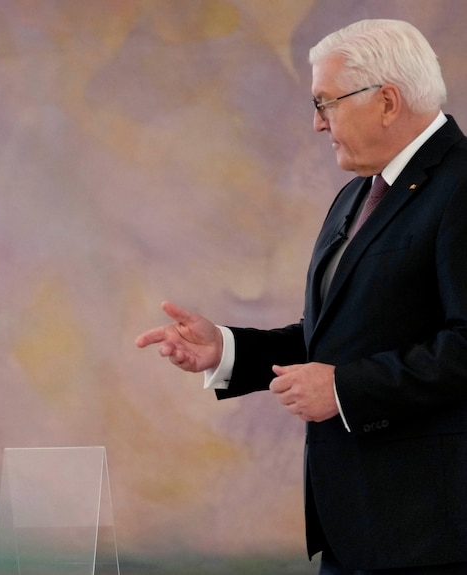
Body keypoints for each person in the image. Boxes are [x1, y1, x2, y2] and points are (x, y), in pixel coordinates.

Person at [136, 19, 467, 575]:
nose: (317, 124)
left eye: (325, 103)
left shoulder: (461, 187)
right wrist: (227, 350)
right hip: (359, 529)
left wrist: (344, 389)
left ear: (386, 101)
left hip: (434, 535)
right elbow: (337, 336)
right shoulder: (356, 195)